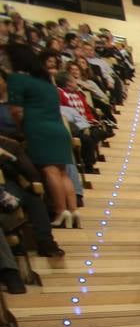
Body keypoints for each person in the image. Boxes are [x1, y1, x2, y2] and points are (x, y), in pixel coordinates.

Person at [5, 43, 79, 226]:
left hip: (38, 128)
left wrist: (21, 129)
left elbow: (16, 112)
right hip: (58, 128)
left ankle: (61, 211)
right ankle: (73, 212)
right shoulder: (46, 81)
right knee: (62, 172)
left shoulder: (17, 79)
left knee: (49, 170)